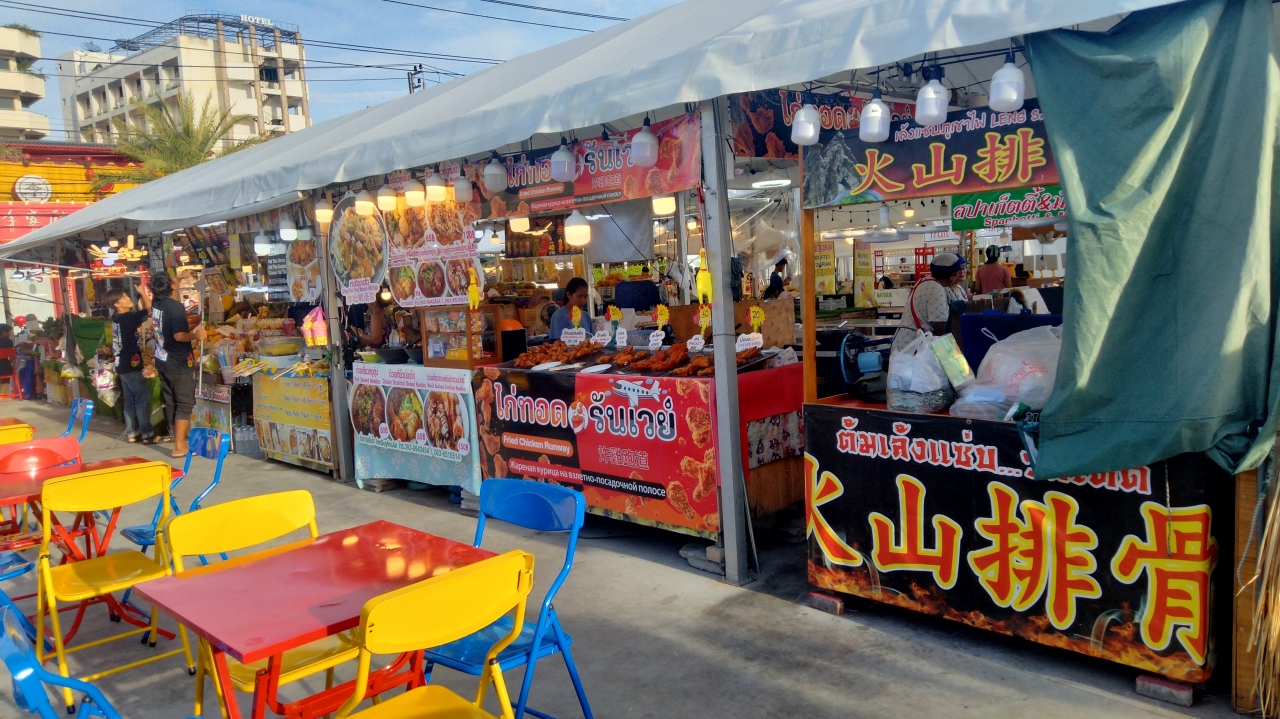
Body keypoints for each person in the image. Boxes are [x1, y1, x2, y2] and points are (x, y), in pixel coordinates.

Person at [148, 271, 206, 457]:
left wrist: (178, 280)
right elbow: (179, 336)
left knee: (171, 402)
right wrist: (196, 335)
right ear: (171, 286)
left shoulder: (157, 303)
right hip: (178, 362)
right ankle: (179, 446)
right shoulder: (175, 307)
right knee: (184, 403)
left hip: (163, 360)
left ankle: (178, 441)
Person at [104, 288, 155, 444]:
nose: (128, 298)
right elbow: (150, 309)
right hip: (131, 364)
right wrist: (142, 292)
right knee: (142, 398)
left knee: (130, 400)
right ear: (117, 304)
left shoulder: (116, 318)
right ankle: (147, 433)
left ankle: (132, 433)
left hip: (121, 364)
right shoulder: (128, 317)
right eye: (124, 297)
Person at [899, 252, 969, 336]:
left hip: (909, 338)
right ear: (952, 275)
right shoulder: (936, 288)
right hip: (916, 341)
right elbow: (939, 324)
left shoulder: (925, 281)